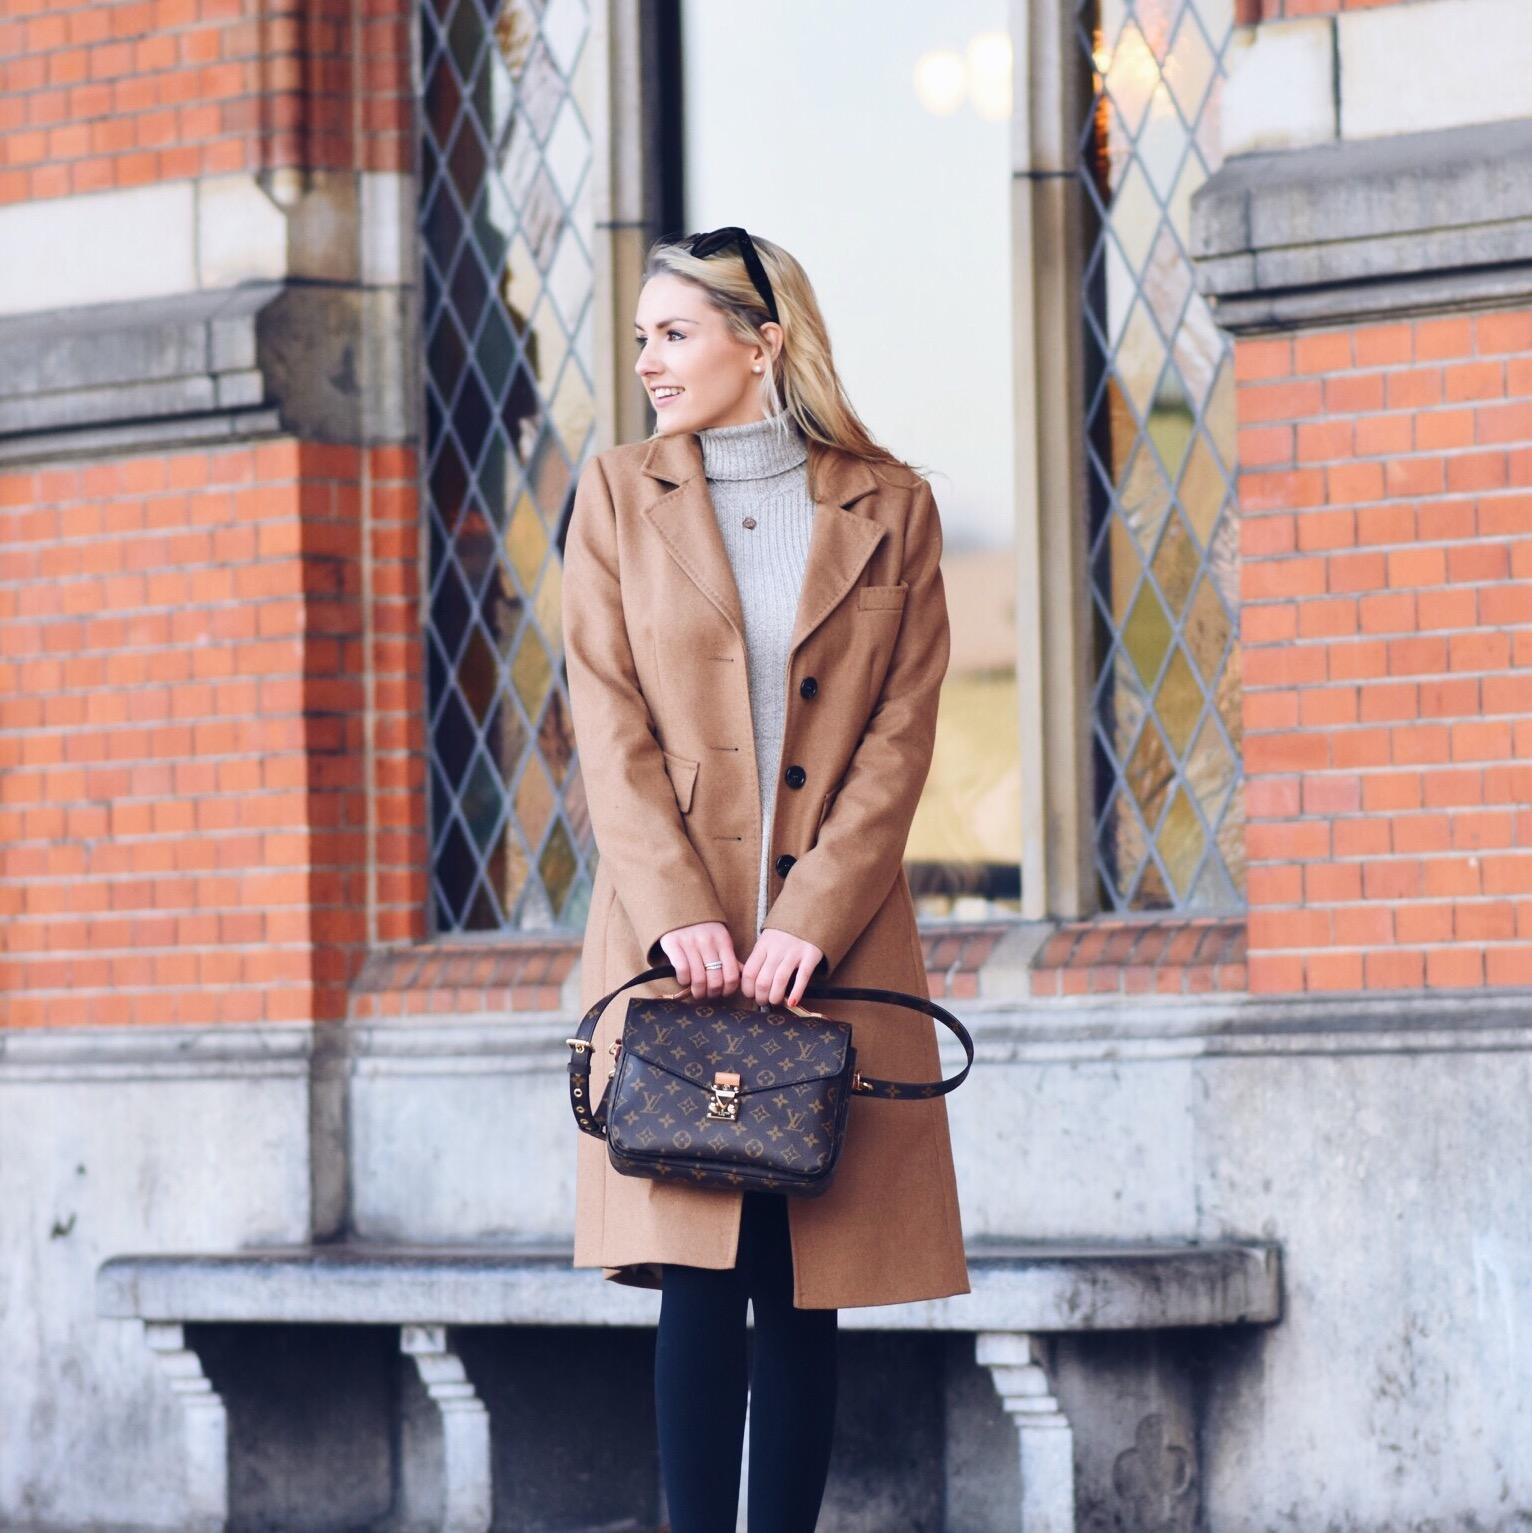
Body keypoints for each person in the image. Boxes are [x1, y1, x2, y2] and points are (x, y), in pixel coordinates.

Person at [560, 226, 969, 1533]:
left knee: (803, 1273)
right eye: (639, 337)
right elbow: (604, 721)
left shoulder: (889, 501)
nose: (648, 362)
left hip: (828, 945)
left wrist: (808, 920)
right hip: (668, 937)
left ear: (763, 340)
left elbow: (901, 737)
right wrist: (679, 909)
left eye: (672, 333)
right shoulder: (617, 494)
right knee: (698, 1267)